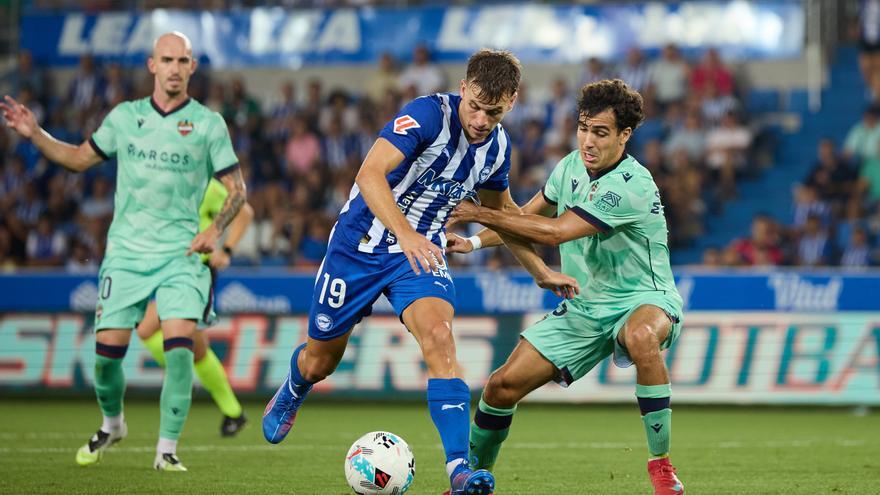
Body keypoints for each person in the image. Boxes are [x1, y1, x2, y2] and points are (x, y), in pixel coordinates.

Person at [261, 49, 577, 495]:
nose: (483, 120)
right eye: (476, 106)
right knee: (320, 361)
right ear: (463, 89)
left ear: (512, 102)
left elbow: (503, 216)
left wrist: (540, 271)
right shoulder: (428, 114)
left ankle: (459, 470)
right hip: (359, 248)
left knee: (440, 339)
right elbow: (370, 175)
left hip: (420, 257)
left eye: (495, 111)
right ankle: (295, 384)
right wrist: (406, 233)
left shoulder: (498, 149)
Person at [1, 31, 247, 471]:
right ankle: (112, 423)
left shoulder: (209, 124)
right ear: (153, 65)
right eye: (166, 59)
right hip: (127, 256)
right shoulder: (124, 117)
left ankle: (166, 450)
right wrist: (35, 132)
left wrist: (216, 231)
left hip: (181, 256)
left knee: (179, 349)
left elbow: (237, 191)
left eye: (182, 60)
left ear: (192, 67)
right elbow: (78, 158)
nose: (174, 67)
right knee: (106, 360)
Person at [448, 79, 686, 495]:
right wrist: (471, 241)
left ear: (624, 135)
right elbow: (523, 217)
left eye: (600, 132)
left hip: (645, 298)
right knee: (500, 388)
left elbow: (555, 232)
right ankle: (471, 483)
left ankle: (661, 466)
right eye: (582, 127)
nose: (587, 140)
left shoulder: (632, 185)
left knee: (640, 334)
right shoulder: (569, 167)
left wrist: (477, 213)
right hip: (585, 304)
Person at [135, 177, 254, 437]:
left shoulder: (208, 186)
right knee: (196, 350)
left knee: (149, 329)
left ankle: (186, 379)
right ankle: (233, 413)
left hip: (197, 272)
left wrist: (227, 250)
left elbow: (244, 212)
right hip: (174, 271)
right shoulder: (170, 184)